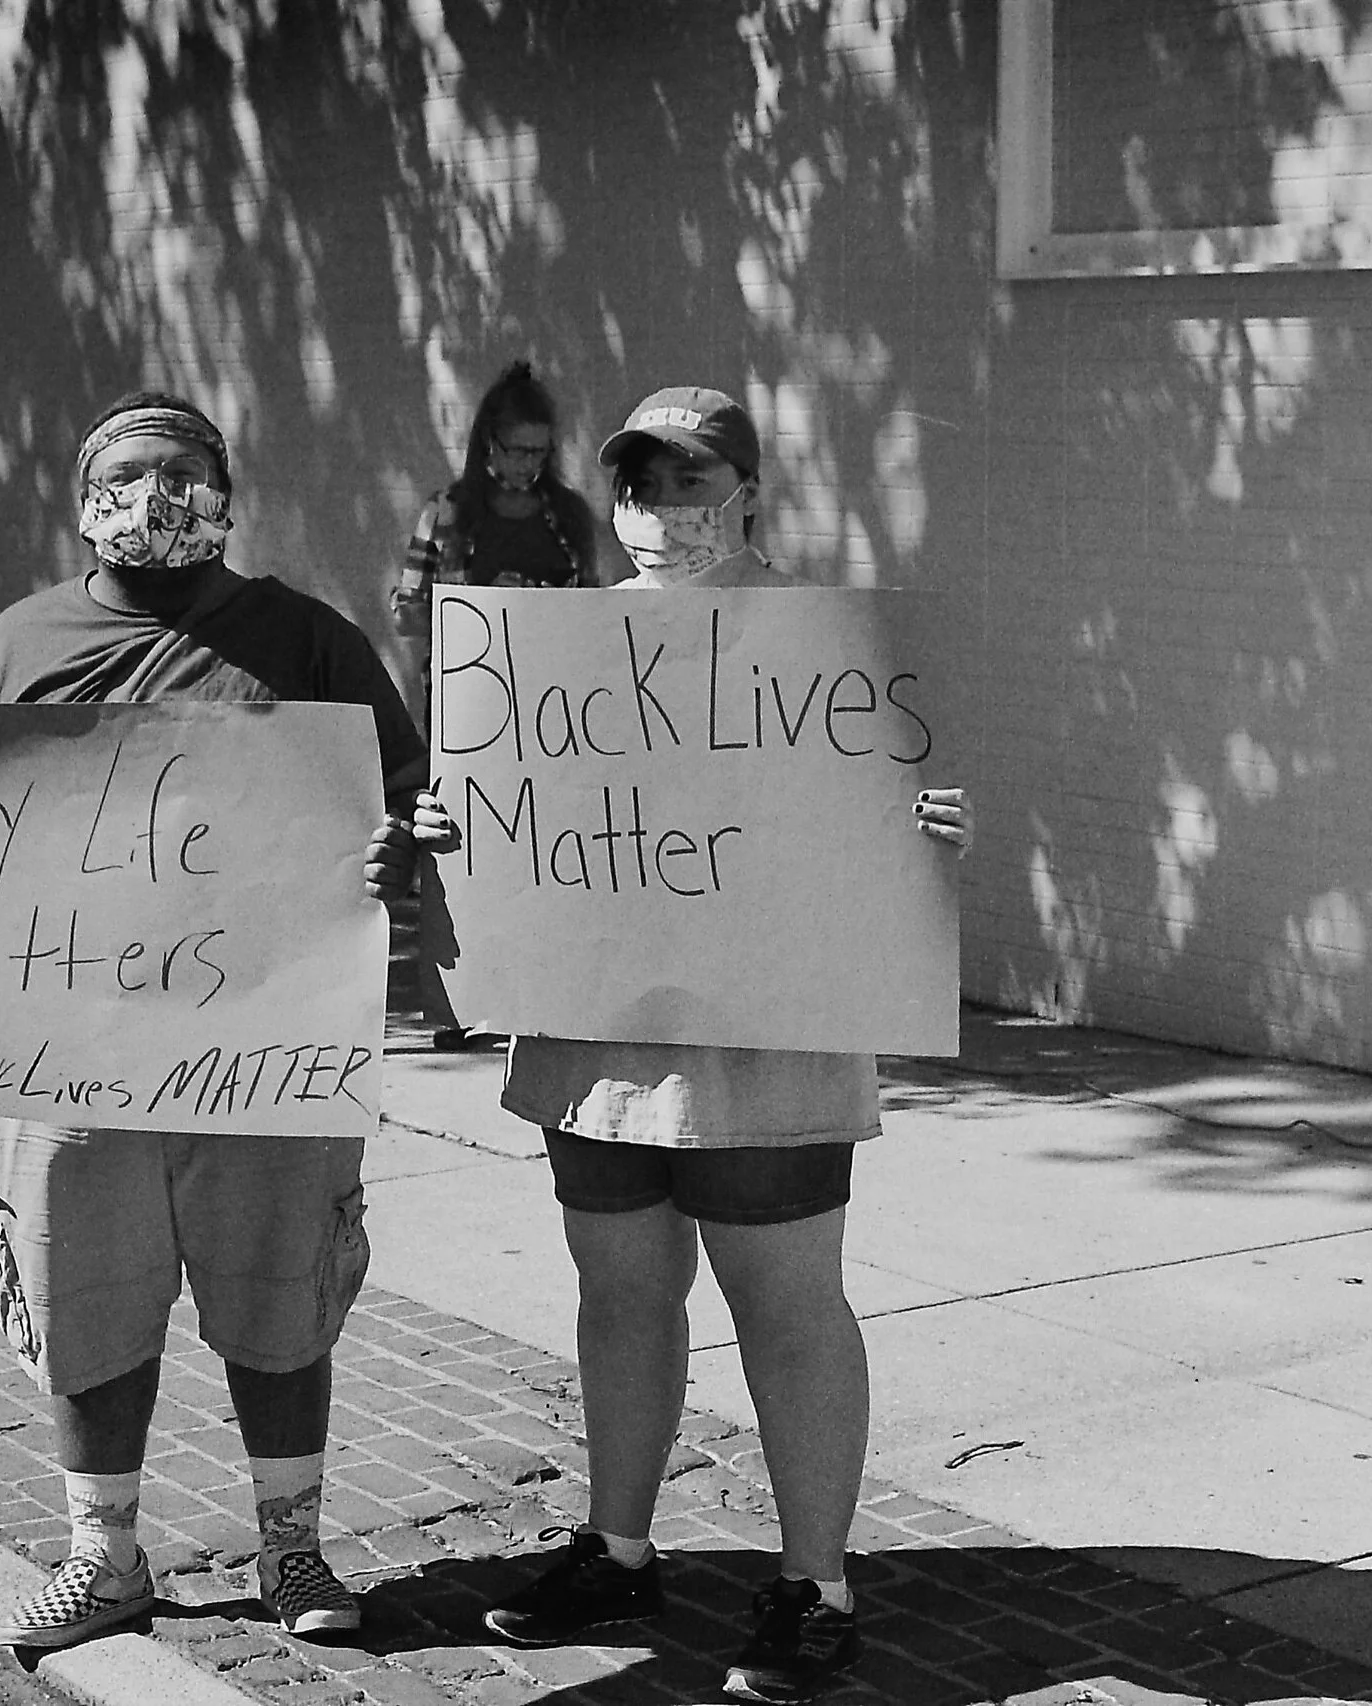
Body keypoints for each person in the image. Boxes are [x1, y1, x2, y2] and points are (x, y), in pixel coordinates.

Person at [0, 390, 457, 1651]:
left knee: (281, 1300)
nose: (153, 499)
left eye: (181, 474)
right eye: (125, 476)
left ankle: (292, 1548)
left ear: (226, 494)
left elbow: (409, 804)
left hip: (263, 1051)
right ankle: (102, 1558)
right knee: (83, 1301)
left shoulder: (307, 640)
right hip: (68, 1057)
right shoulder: (18, 643)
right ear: (81, 502)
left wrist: (409, 853)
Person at [473, 388, 968, 1706]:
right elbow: (517, 821)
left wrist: (923, 829)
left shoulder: (824, 642)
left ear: (746, 490)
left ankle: (817, 1588)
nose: (659, 512)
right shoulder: (555, 651)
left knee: (788, 1306)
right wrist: (457, 815)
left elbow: (892, 823)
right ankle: (619, 1544)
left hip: (772, 1035)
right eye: (636, 486)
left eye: (689, 484)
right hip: (602, 1033)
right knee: (620, 1293)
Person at [388, 360, 599, 1051]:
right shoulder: (450, 512)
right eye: (514, 451)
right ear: (487, 445)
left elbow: (591, 608)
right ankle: (456, 1007)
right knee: (457, 850)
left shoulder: (564, 516)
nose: (525, 466)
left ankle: (535, 997)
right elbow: (407, 609)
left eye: (539, 452)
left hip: (549, 712)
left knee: (539, 848)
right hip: (464, 711)